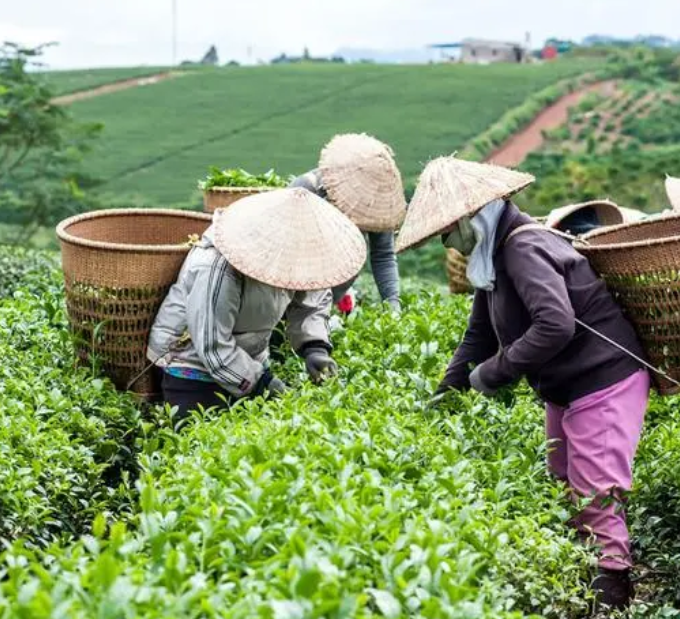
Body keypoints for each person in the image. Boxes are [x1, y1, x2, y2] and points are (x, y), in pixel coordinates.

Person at [395, 157, 650, 610]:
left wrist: (495, 372)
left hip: (602, 379)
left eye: (446, 231)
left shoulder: (521, 248)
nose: (445, 242)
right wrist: (445, 394)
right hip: (565, 386)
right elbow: (479, 333)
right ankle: (581, 581)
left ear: (468, 217)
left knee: (594, 492)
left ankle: (613, 596)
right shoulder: (493, 256)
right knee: (560, 482)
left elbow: (556, 323)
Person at [147, 187, 367, 422]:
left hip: (247, 359)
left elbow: (312, 299)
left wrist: (315, 348)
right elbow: (212, 345)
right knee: (199, 443)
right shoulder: (216, 267)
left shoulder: (296, 259)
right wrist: (261, 382)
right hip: (190, 365)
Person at [291, 133, 407, 313]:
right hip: (295, 283)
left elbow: (383, 255)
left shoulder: (377, 202)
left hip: (337, 286)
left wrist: (393, 305)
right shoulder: (306, 190)